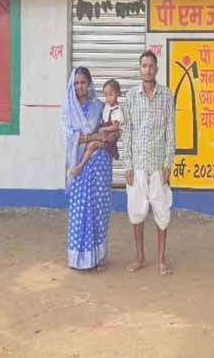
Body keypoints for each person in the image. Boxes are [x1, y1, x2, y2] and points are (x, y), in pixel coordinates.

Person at [122, 50, 175, 275]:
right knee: (136, 212)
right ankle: (140, 257)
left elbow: (170, 131)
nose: (148, 69)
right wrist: (127, 165)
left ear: (157, 69)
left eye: (151, 66)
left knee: (162, 212)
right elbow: (127, 132)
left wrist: (168, 163)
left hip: (158, 165)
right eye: (144, 66)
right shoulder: (131, 97)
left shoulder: (167, 95)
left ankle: (162, 259)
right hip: (138, 164)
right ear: (139, 69)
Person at [59, 67, 113, 271]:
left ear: (89, 84)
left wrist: (93, 138)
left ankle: (98, 257)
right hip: (79, 165)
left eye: (83, 82)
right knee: (79, 210)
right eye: (76, 83)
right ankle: (79, 259)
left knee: (98, 210)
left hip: (99, 165)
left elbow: (108, 134)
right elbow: (69, 137)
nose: (79, 87)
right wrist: (92, 137)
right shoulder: (68, 109)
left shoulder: (99, 106)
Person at [69, 79, 124, 177]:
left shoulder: (117, 110)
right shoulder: (106, 106)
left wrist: (105, 129)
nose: (108, 98)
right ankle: (80, 163)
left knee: (92, 144)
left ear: (118, 94)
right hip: (103, 134)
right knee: (89, 145)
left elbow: (116, 126)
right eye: (106, 95)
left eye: (111, 95)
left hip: (109, 140)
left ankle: (80, 166)